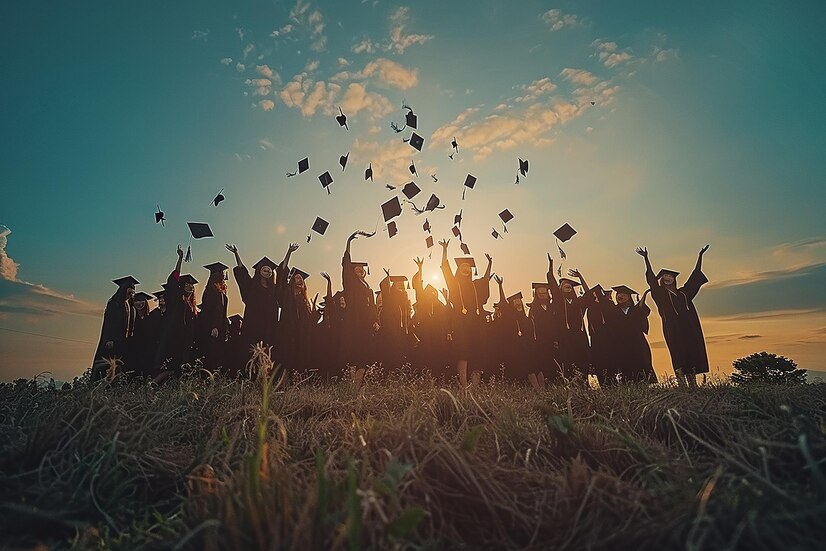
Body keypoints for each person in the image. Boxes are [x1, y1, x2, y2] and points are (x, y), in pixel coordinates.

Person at [637, 245, 710, 387]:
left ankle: (693, 384)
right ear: (662, 280)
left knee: (691, 352)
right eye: (665, 277)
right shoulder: (660, 295)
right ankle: (682, 384)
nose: (667, 278)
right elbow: (651, 280)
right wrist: (646, 258)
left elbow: (695, 277)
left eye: (670, 276)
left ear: (674, 279)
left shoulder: (684, 293)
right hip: (673, 329)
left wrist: (700, 256)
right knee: (678, 353)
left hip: (689, 328)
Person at [439, 239, 492, 389]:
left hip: (477, 322)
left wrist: (489, 264)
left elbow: (486, 279)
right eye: (463, 266)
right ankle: (463, 385)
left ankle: (474, 387)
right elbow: (445, 268)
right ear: (459, 270)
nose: (467, 268)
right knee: (463, 352)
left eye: (468, 267)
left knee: (477, 352)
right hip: (460, 322)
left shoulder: (476, 285)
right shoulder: (454, 284)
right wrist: (444, 249)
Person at [226, 244, 279, 371]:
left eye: (270, 270)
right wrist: (236, 254)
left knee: (267, 351)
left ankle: (266, 375)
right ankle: (250, 374)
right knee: (252, 351)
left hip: (269, 326)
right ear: (259, 271)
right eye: (265, 270)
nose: (268, 272)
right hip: (253, 324)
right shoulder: (251, 286)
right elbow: (242, 273)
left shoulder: (274, 290)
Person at [154, 245, 198, 379]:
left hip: (184, 340)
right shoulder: (176, 299)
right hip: (172, 338)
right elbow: (174, 280)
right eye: (187, 285)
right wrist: (180, 259)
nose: (190, 287)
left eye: (191, 285)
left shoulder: (191, 305)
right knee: (169, 365)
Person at [341, 230, 379, 386]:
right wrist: (348, 243)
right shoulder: (351, 284)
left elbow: (373, 307)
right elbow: (345, 267)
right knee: (355, 354)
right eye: (356, 270)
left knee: (364, 355)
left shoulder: (369, 288)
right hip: (355, 323)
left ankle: (357, 385)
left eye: (361, 270)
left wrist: (376, 320)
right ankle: (352, 385)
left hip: (366, 325)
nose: (360, 271)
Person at [546, 258, 591, 382]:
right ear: (560, 289)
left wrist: (580, 277)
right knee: (567, 366)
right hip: (565, 338)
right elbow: (551, 282)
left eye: (570, 286)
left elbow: (589, 295)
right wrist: (551, 266)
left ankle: (584, 387)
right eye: (564, 286)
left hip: (580, 338)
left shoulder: (579, 302)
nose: (568, 287)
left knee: (582, 366)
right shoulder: (559, 302)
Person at [277, 243, 318, 374]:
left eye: (301, 278)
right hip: (288, 332)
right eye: (297, 278)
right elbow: (282, 273)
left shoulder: (305, 300)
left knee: (301, 358)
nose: (300, 279)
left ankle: (298, 381)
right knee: (288, 357)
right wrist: (289, 252)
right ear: (292, 282)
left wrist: (316, 312)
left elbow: (310, 320)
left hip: (302, 335)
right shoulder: (286, 295)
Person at [91, 276, 138, 381]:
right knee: (107, 364)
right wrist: (109, 338)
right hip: (112, 340)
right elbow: (109, 323)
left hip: (123, 340)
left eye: (132, 293)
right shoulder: (114, 303)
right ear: (122, 290)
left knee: (118, 365)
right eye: (128, 292)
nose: (130, 295)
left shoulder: (129, 305)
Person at [410, 257, 450, 377]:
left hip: (439, 336)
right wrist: (420, 269)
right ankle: (426, 377)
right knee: (425, 357)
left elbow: (447, 315)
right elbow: (419, 288)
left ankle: (438, 378)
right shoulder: (423, 304)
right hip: (425, 335)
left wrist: (447, 299)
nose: (431, 296)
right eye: (429, 294)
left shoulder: (440, 305)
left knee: (439, 358)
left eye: (433, 294)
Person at [493, 275, 536, 385]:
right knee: (514, 374)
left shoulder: (527, 319)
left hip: (526, 349)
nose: (518, 305)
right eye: (515, 303)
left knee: (530, 371)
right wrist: (500, 286)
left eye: (519, 303)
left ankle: (536, 391)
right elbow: (503, 302)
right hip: (513, 349)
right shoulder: (510, 319)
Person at [608, 286, 656, 383]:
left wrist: (643, 298)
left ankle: (643, 387)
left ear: (629, 298)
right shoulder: (613, 311)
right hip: (621, 343)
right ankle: (630, 388)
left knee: (641, 362)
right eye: (618, 296)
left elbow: (645, 312)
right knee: (625, 365)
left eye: (623, 296)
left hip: (637, 342)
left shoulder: (635, 309)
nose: (620, 297)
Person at [197, 262, 230, 372]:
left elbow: (223, 313)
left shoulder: (222, 294)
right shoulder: (210, 292)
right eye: (218, 276)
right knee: (211, 355)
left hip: (220, 329)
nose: (221, 278)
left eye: (221, 276)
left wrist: (224, 329)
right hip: (212, 329)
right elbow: (209, 311)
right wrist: (213, 326)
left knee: (218, 356)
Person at [527, 281, 558, 385]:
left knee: (554, 365)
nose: (542, 296)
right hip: (539, 343)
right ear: (536, 295)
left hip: (553, 342)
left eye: (544, 294)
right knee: (542, 365)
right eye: (540, 294)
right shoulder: (533, 309)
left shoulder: (553, 308)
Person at [125, 291, 156, 377]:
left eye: (142, 300)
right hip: (133, 350)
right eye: (136, 301)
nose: (139, 303)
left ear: (146, 302)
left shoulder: (151, 318)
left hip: (148, 350)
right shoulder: (131, 318)